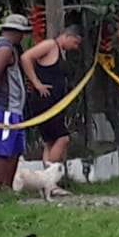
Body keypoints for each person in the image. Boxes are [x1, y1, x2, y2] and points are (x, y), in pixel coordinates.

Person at [20, 24, 84, 166]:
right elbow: (26, 57)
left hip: (55, 103)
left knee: (51, 142)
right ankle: (49, 176)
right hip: (45, 102)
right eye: (75, 42)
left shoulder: (60, 52)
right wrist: (36, 83)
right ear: (68, 36)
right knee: (63, 138)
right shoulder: (50, 45)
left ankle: (46, 183)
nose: (75, 47)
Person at [0, 13, 30, 187]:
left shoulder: (11, 48)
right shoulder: (5, 48)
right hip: (5, 108)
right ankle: (0, 186)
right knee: (4, 150)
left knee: (14, 150)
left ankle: (7, 188)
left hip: (14, 108)